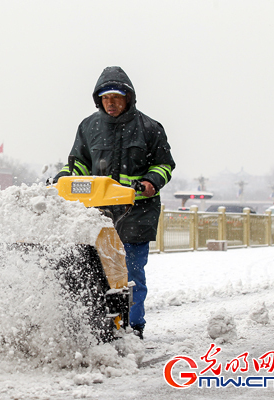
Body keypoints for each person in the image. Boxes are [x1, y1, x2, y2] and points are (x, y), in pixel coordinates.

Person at [52, 66, 176, 340]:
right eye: (105, 98)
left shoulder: (150, 128)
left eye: (116, 97)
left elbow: (164, 164)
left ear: (128, 98)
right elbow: (79, 163)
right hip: (97, 214)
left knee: (130, 272)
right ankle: (96, 323)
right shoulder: (88, 127)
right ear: (99, 100)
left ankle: (133, 327)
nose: (111, 103)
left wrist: (150, 182)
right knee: (94, 270)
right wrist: (64, 178)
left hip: (136, 212)